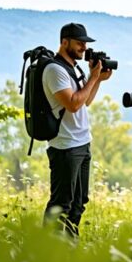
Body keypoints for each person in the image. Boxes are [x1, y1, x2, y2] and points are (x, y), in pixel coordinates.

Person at [43, 22, 112, 236]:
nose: (84, 47)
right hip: (65, 145)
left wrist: (97, 79)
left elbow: (86, 101)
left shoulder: (73, 67)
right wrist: (93, 77)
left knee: (79, 202)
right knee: (61, 204)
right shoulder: (54, 69)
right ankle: (47, 248)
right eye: (79, 43)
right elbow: (72, 104)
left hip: (81, 143)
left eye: (85, 43)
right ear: (64, 42)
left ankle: (69, 245)